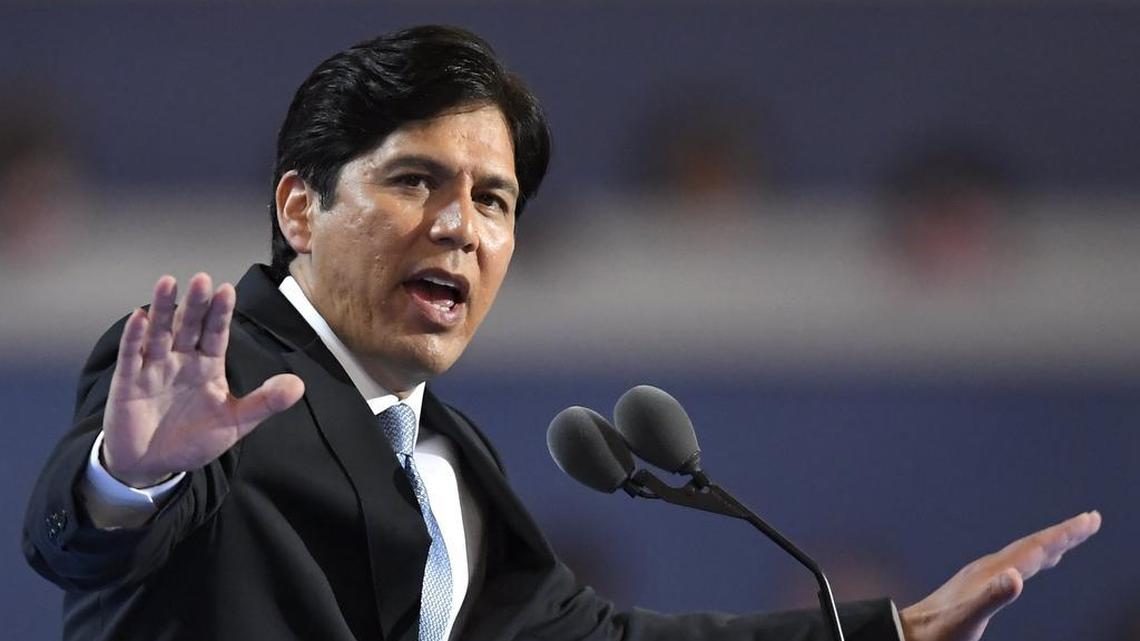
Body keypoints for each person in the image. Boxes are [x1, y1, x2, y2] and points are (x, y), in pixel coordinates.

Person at [22, 25, 1100, 641]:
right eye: (415, 180)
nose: (462, 223)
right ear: (301, 207)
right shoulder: (208, 380)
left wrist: (889, 633)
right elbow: (84, 541)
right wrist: (129, 478)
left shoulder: (448, 452)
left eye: (494, 200)